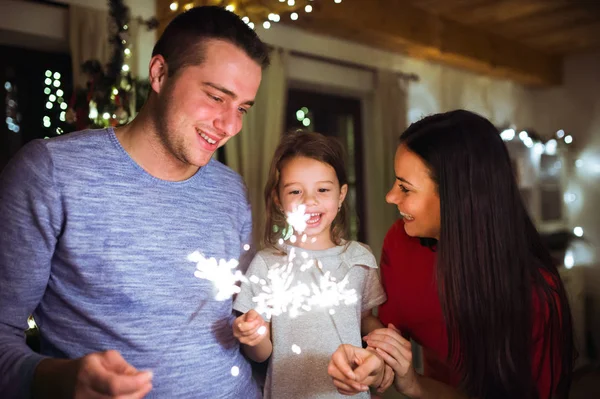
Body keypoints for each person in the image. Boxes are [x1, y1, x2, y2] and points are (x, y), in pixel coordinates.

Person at [0, 6, 269, 398]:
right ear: (159, 73)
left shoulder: (232, 189)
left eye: (242, 108)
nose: (231, 126)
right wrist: (60, 378)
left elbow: (246, 322)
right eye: (215, 97)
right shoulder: (50, 173)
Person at [328, 110, 575, 399]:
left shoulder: (537, 294)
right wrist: (378, 362)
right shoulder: (401, 242)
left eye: (405, 188)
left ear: (457, 198)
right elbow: (389, 334)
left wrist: (414, 384)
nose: (391, 196)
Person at [232, 131, 389, 398]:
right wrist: (254, 337)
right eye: (295, 191)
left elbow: (365, 321)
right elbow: (260, 354)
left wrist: (378, 353)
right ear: (279, 200)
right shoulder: (267, 265)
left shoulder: (360, 259)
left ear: (341, 195)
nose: (309, 201)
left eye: (323, 189)